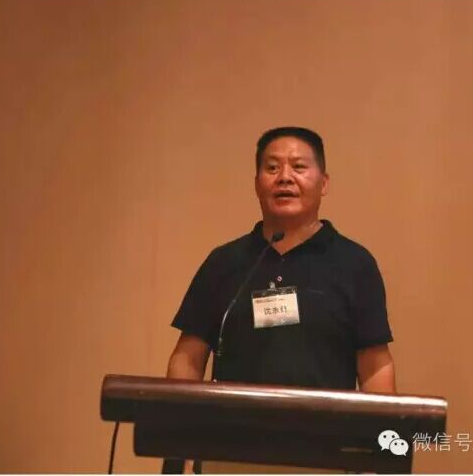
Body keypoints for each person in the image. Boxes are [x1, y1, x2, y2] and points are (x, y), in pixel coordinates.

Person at [167, 127, 395, 393]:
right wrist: (179, 415)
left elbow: (374, 366)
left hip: (325, 420)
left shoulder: (355, 264)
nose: (285, 177)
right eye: (272, 168)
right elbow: (188, 358)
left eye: (298, 167)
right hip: (236, 420)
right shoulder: (224, 262)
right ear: (256, 184)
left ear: (323, 183)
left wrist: (384, 420)